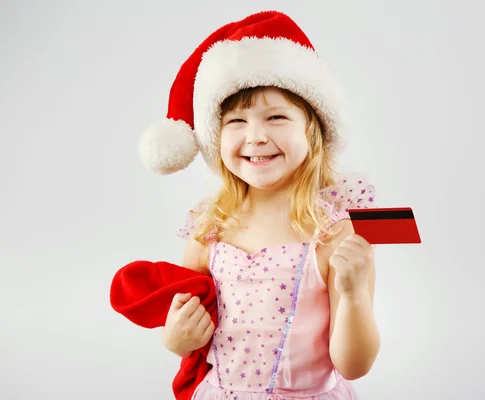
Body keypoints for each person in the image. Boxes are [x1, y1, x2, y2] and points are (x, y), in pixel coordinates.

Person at [138, 10, 380, 399]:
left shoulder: (333, 231)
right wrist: (176, 338)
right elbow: (185, 329)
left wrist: (353, 295)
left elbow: (353, 365)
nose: (255, 137)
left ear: (312, 130)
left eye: (276, 117)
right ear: (216, 136)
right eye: (236, 121)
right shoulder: (208, 227)